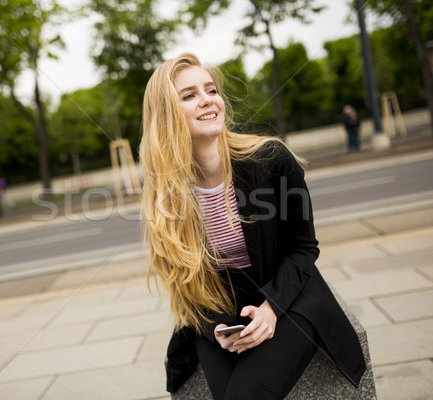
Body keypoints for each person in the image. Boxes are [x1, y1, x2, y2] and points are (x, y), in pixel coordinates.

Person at [140, 53, 366, 399]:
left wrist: (271, 309)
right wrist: (218, 327)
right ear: (166, 115)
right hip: (219, 308)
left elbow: (304, 248)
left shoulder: (271, 160)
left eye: (211, 90)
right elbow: (187, 281)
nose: (208, 100)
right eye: (189, 95)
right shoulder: (167, 191)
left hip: (289, 296)